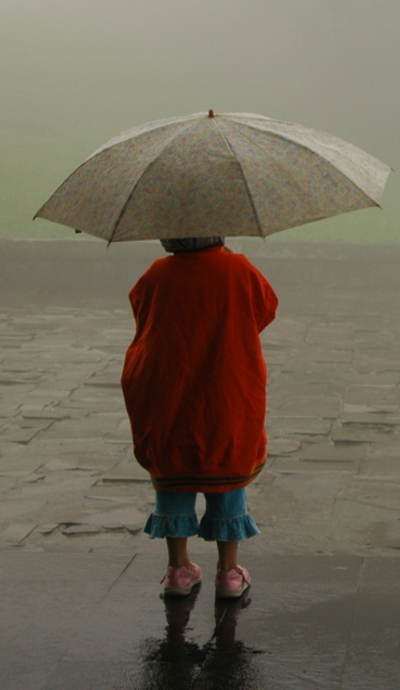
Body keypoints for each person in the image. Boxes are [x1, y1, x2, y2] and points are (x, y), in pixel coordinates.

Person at [121, 236, 278, 599]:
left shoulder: (157, 273)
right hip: (225, 386)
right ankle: (229, 573)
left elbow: (142, 313)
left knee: (173, 468)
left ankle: (178, 570)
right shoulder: (238, 269)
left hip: (168, 386)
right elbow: (265, 310)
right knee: (227, 465)